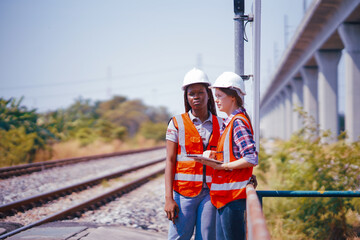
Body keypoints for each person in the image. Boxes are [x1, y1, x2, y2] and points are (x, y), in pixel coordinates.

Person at [195, 71, 258, 240]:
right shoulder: (230, 121)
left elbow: (251, 157)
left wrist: (223, 166)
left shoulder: (237, 122)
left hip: (232, 196)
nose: (216, 100)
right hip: (226, 195)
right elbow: (235, 154)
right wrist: (213, 156)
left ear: (233, 97)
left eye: (219, 96)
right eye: (215, 96)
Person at [164, 67, 223, 240]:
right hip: (183, 194)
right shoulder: (176, 123)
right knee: (178, 237)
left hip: (211, 194)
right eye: (191, 93)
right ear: (186, 97)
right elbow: (170, 161)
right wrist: (168, 198)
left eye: (200, 92)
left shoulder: (222, 124)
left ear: (208, 94)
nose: (196, 97)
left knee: (206, 237)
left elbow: (231, 157)